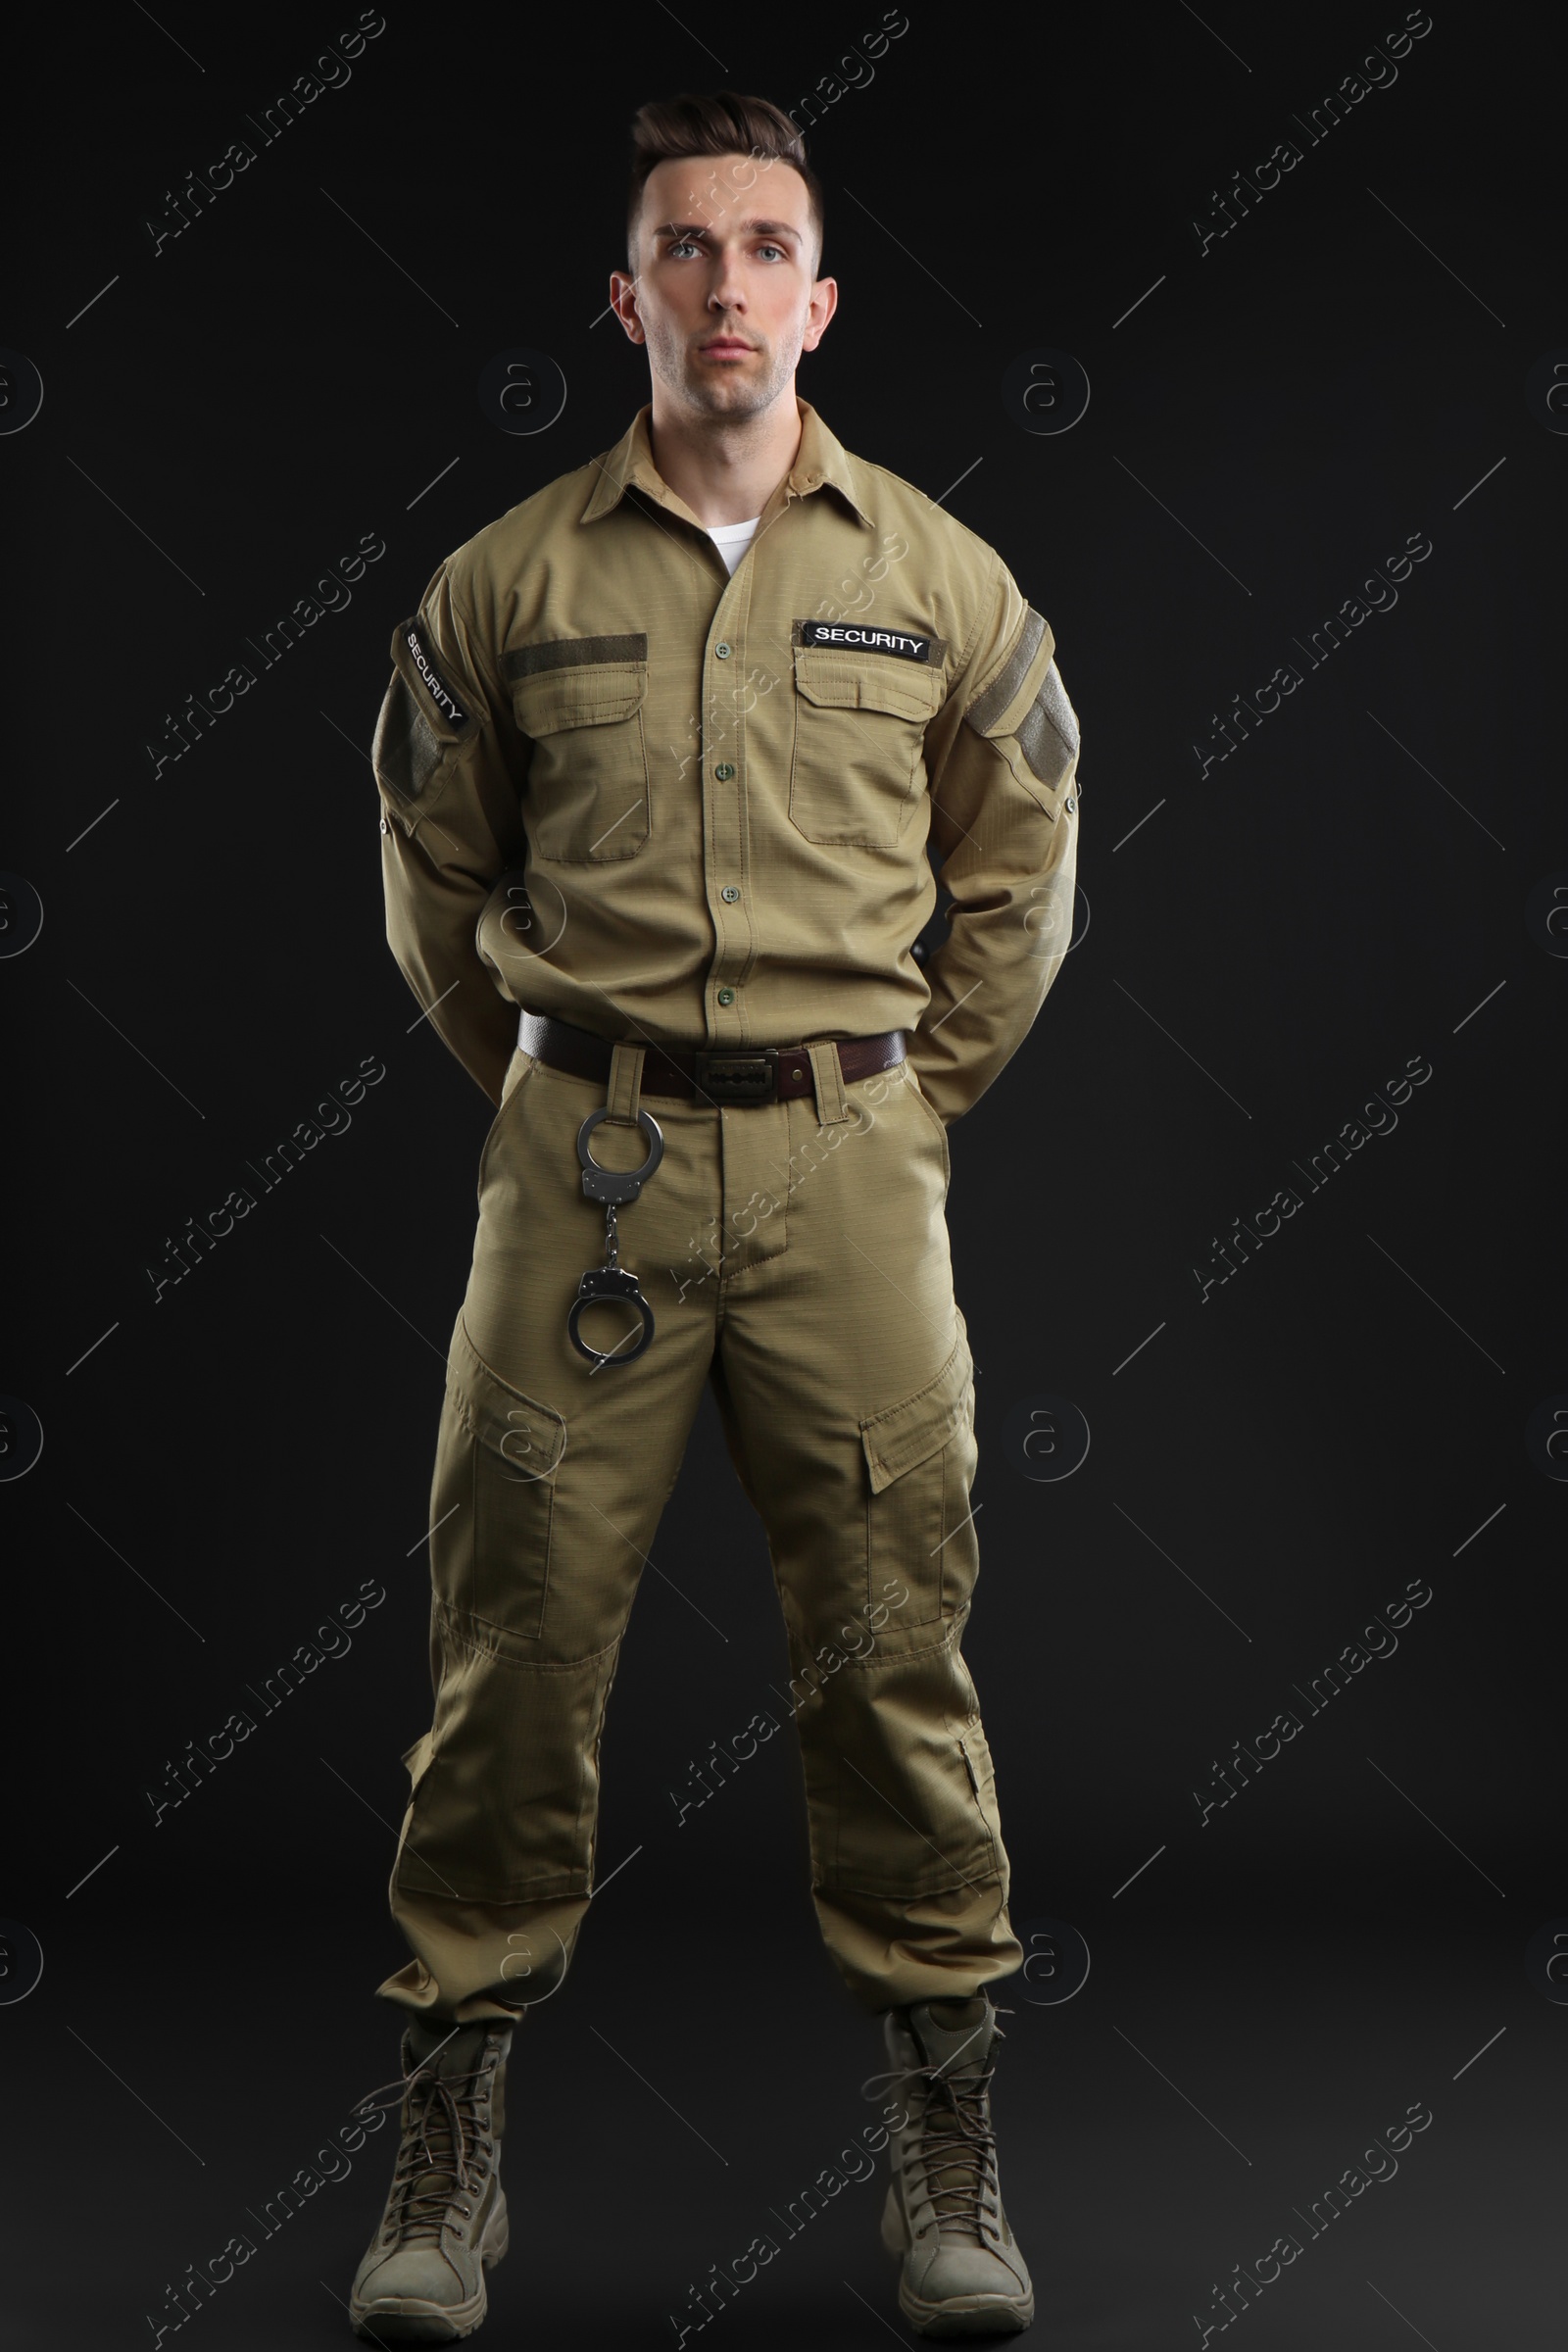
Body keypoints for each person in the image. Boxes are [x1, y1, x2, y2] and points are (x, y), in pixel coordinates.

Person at [347, 86, 1081, 2345]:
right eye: (687, 248)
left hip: (851, 1170)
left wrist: (887, 1110)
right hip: (582, 1175)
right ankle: (445, 2142)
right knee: (511, 1652)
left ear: (821, 298)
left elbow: (1017, 878)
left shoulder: (941, 580)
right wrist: (581, 1095)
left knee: (893, 1644)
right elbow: (432, 893)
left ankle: (944, 2140)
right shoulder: (504, 584)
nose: (729, 286)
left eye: (767, 248)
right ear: (627, 296)